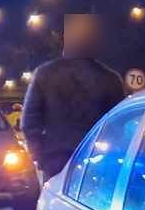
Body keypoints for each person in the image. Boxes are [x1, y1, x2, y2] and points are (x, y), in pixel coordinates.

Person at [19, 16, 125, 180]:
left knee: (54, 204)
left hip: (55, 158)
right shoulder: (110, 79)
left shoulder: (44, 74)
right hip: (96, 160)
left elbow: (29, 121)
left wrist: (38, 154)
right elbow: (119, 126)